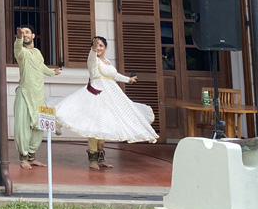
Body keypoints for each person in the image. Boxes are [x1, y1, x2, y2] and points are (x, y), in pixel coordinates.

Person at [55, 35, 157, 169]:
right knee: (94, 125)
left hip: (110, 96)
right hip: (95, 95)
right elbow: (92, 55)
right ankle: (92, 159)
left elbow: (114, 75)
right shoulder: (93, 60)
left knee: (104, 125)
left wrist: (128, 80)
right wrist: (93, 48)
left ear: (105, 47)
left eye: (101, 45)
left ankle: (101, 158)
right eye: (96, 45)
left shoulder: (107, 61)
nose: (98, 48)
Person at [13, 26, 62, 170]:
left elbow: (41, 67)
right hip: (25, 93)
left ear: (33, 35)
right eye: (23, 33)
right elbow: (17, 48)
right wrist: (18, 38)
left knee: (39, 127)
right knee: (23, 127)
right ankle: (23, 158)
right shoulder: (22, 52)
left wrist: (52, 73)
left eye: (27, 32)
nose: (25, 35)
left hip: (39, 94)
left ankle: (32, 157)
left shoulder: (37, 52)